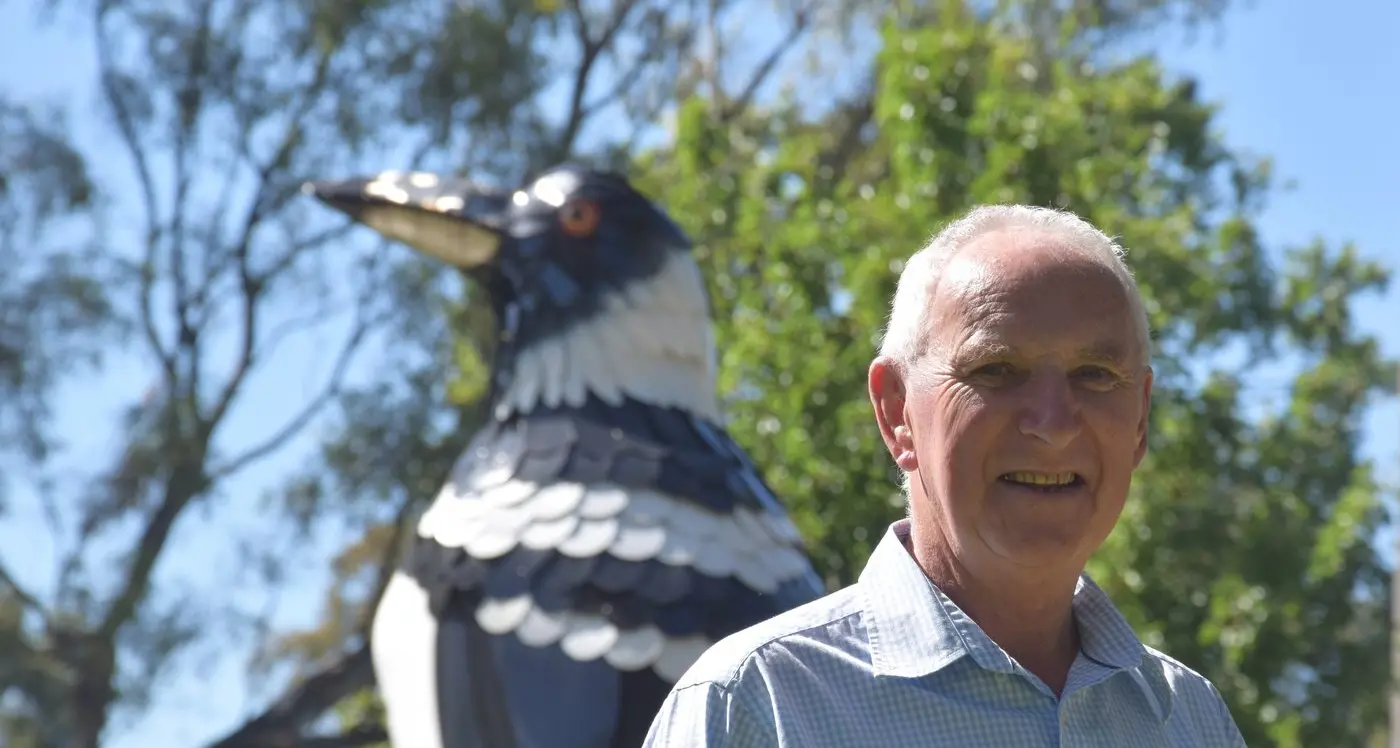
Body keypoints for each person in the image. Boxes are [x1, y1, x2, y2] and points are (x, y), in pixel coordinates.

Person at [641, 204, 1248, 747]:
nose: (1053, 424)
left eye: (1094, 375)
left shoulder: (1193, 722)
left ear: (1140, 419)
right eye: (996, 370)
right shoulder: (755, 706)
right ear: (896, 412)